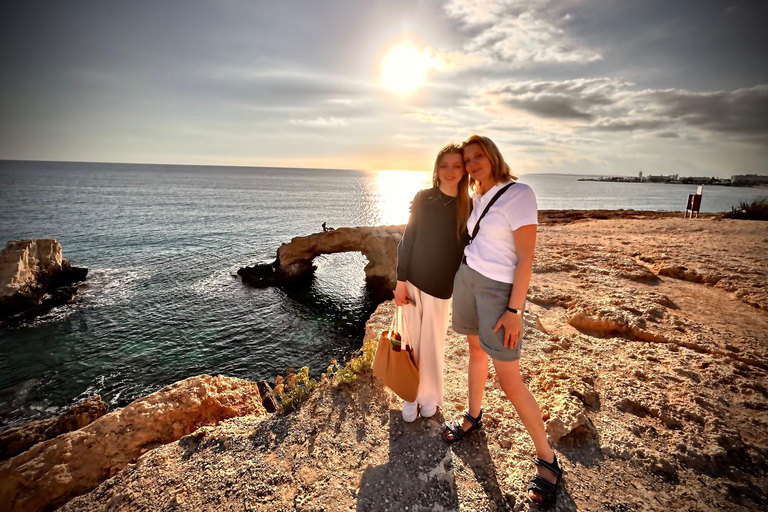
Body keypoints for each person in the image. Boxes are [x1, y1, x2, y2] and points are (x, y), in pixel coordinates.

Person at [443, 135, 562, 507]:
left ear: (492, 156)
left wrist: (515, 311)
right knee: (475, 353)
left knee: (510, 379)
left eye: (478, 156)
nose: (473, 163)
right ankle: (472, 416)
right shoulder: (476, 197)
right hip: (468, 278)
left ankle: (548, 459)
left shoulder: (519, 193)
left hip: (498, 292)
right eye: (467, 159)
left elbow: (525, 258)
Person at [394, 143, 471, 423]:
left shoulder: (470, 206)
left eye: (456, 166)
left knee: (433, 345)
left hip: (441, 289)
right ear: (436, 170)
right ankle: (410, 396)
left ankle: (429, 397)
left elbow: (470, 250)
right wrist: (400, 281)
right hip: (413, 282)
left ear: (464, 171)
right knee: (411, 343)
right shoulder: (423, 198)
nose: (449, 171)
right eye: (444, 165)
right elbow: (408, 240)